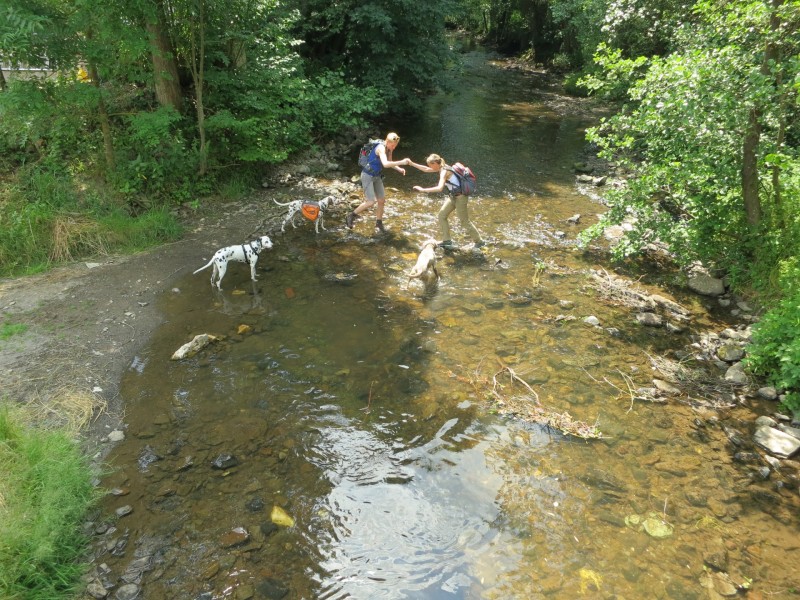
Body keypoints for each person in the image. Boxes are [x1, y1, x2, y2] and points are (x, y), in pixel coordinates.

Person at [409, 153, 484, 249]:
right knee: (442, 215)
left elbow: (439, 188)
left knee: (464, 221)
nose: (429, 167)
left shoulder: (444, 171)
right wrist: (412, 164)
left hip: (461, 198)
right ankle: (447, 241)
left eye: (430, 165)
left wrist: (423, 190)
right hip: (453, 196)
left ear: (436, 163)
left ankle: (479, 242)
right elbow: (426, 169)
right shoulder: (441, 167)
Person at [346, 132, 410, 233]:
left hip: (376, 176)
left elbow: (390, 162)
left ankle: (378, 223)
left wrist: (399, 169)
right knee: (371, 202)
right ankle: (351, 215)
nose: (393, 147)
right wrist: (402, 162)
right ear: (387, 141)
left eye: (395, 146)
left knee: (381, 200)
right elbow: (385, 164)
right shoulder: (381, 148)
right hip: (367, 175)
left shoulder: (389, 149)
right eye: (392, 145)